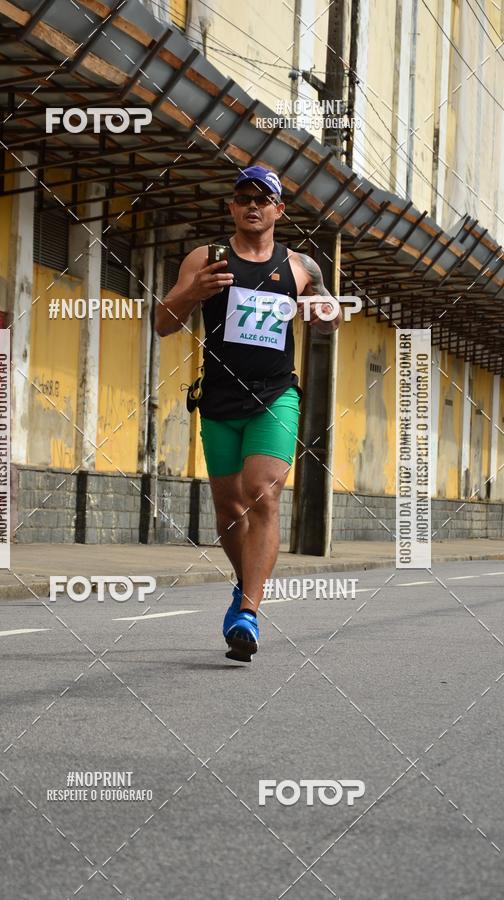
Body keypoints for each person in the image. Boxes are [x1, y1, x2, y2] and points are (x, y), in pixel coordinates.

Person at [155, 165, 341, 661]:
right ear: (232, 207)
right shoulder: (206, 257)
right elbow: (162, 322)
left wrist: (327, 314)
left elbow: (328, 318)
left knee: (262, 494)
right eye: (243, 197)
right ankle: (245, 587)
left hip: (276, 394)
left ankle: (249, 614)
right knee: (228, 508)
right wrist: (194, 291)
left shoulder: (301, 267)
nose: (252, 205)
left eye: (263, 198)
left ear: (279, 210)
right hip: (218, 397)